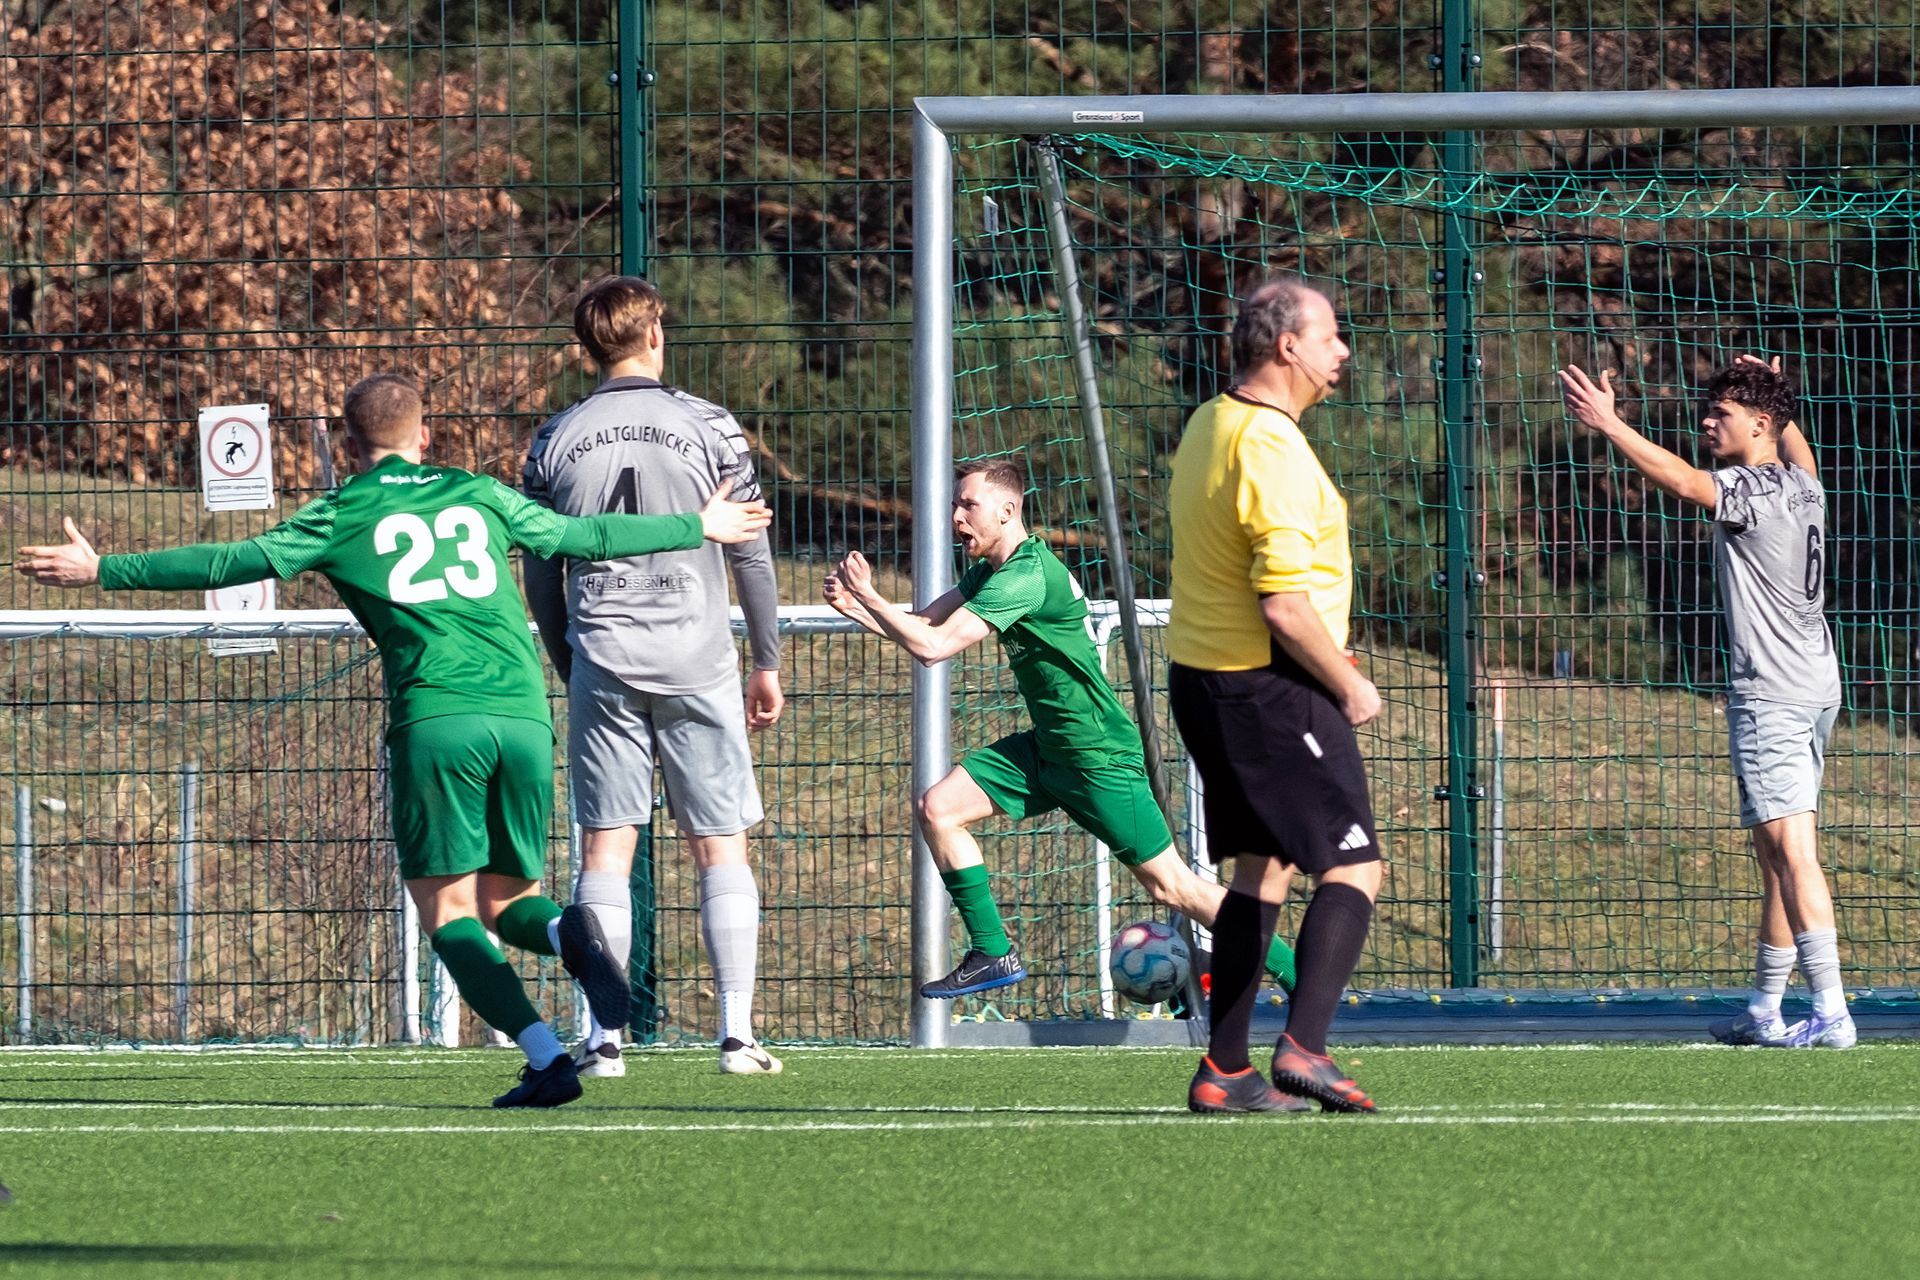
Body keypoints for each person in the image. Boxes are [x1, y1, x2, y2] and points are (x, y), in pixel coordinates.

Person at [15, 372, 772, 1105]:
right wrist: (696, 526)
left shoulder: (342, 511)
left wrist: (103, 568)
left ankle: (545, 1056)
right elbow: (585, 534)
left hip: (438, 719)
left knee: (448, 911)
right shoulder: (479, 492)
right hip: (524, 715)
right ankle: (568, 937)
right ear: (426, 436)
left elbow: (229, 561)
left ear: (349, 446)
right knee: (508, 901)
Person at [821, 459, 1298, 1001]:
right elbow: (926, 625)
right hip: (1050, 749)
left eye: (968, 505)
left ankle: (1300, 976)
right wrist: (858, 608)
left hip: (1097, 755)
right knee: (939, 808)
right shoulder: (993, 570)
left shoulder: (1026, 575)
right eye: (955, 505)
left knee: (1173, 887)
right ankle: (993, 951)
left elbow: (933, 648)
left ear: (1007, 511)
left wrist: (872, 597)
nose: (956, 517)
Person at [523, 276, 786, 1078]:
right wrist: (767, 658)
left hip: (602, 654)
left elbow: (540, 566)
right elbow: (749, 552)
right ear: (656, 336)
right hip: (696, 657)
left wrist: (567, 656)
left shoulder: (554, 438)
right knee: (719, 842)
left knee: (605, 847)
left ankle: (603, 1040)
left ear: (586, 350)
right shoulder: (710, 425)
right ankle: (735, 1036)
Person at [1560, 355, 1851, 1048]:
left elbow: (1685, 481)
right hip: (1815, 685)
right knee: (1776, 854)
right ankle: (1765, 1009)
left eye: (1723, 413)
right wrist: (1778, 398)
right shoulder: (1803, 484)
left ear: (1760, 424)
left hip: (1773, 693)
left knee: (1793, 852)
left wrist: (1610, 424)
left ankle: (1832, 1011)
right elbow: (1796, 446)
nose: (1707, 422)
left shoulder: (1748, 490)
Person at [1167, 276, 1383, 1115]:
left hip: (1205, 680)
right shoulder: (1270, 447)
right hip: (1269, 686)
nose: (1343, 350)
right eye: (1330, 335)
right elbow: (1284, 604)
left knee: (1261, 870)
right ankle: (1306, 1048)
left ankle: (1223, 1070)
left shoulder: (1210, 421)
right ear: (1288, 346)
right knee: (1354, 863)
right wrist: (1348, 682)